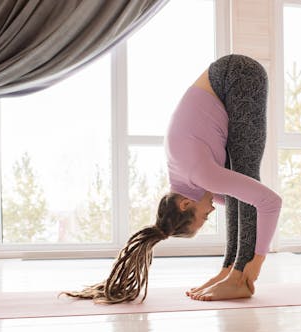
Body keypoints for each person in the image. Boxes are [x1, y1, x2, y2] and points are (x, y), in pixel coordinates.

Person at [62, 54, 282, 304]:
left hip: (238, 76)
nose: (211, 210)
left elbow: (270, 202)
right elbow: (235, 197)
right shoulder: (184, 176)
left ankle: (243, 276)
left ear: (185, 204)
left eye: (205, 216)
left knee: (246, 174)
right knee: (241, 190)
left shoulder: (199, 174)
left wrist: (258, 261)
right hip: (227, 77)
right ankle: (229, 271)